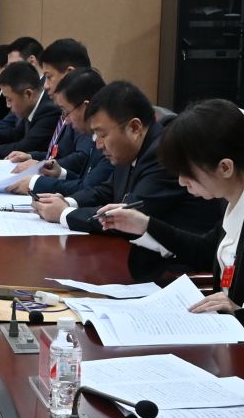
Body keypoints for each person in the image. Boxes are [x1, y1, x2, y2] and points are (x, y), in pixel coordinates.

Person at [97, 99, 244, 340]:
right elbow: (206, 250)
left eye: (187, 172)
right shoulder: (233, 197)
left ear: (225, 167)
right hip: (227, 334)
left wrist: (242, 312)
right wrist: (145, 225)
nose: (181, 181)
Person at [59, 82, 215, 279]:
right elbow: (107, 190)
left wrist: (64, 214)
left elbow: (127, 217)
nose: (98, 145)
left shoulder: (163, 154)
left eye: (102, 134)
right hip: (146, 259)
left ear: (134, 128)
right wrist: (67, 202)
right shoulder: (130, 151)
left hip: (177, 271)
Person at [13, 68, 106, 196]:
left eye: (66, 112)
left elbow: (91, 190)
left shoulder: (108, 144)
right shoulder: (95, 138)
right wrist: (60, 173)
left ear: (86, 107)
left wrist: (35, 183)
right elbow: (86, 182)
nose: (66, 121)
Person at [0, 62, 59, 159]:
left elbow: (28, 146)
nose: (8, 105)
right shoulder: (31, 106)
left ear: (28, 94)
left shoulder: (49, 109)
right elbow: (16, 134)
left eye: (9, 99)